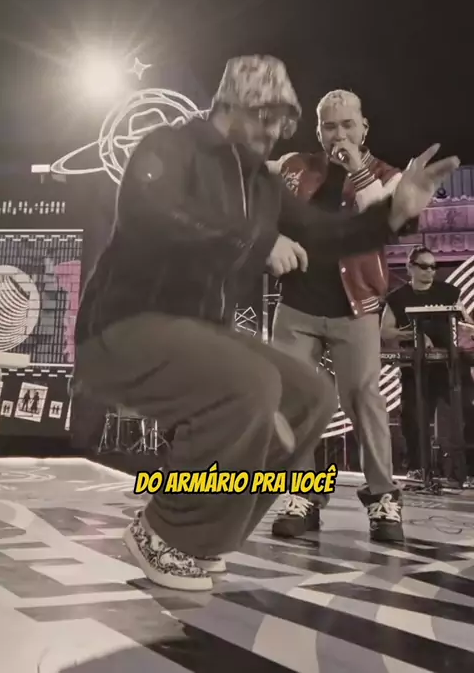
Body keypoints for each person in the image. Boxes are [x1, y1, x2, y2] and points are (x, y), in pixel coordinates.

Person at [73, 56, 458, 591]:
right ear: (229, 106)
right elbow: (157, 215)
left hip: (200, 334)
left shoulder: (260, 183)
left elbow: (328, 232)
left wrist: (394, 213)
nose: (274, 131)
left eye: (282, 121)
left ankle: (205, 537)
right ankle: (164, 530)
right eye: (264, 116)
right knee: (251, 386)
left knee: (310, 397)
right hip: (124, 327)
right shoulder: (170, 146)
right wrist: (256, 241)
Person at [268, 89, 408, 543]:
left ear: (364, 128)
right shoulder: (296, 167)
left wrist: (357, 168)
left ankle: (383, 497)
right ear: (318, 131)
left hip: (356, 307)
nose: (339, 134)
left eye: (348, 125)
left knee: (364, 399)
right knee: (291, 399)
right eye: (330, 126)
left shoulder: (387, 175)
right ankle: (302, 495)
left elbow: (381, 218)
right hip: (297, 306)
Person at [381, 246, 474, 478]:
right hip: (417, 368)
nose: (430, 271)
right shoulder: (397, 298)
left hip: (452, 366)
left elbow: (466, 322)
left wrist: (467, 332)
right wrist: (415, 335)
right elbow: (386, 331)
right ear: (410, 267)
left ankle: (468, 470)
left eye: (434, 267)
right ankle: (417, 468)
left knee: (467, 413)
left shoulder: (449, 292)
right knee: (413, 418)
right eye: (424, 266)